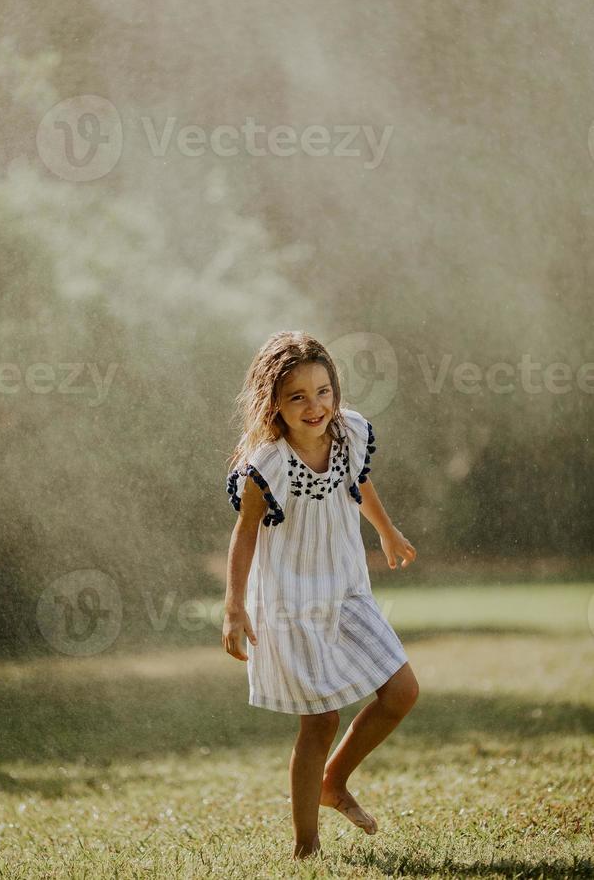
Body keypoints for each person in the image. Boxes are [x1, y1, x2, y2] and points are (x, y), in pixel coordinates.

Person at [222, 330, 420, 861]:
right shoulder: (268, 464)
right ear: (274, 404)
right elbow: (244, 534)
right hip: (291, 602)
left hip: (348, 589)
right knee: (322, 718)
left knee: (401, 692)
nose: (316, 406)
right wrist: (235, 607)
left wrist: (386, 529)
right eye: (298, 397)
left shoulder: (350, 434)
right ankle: (306, 846)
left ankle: (335, 780)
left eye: (324, 390)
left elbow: (361, 485)